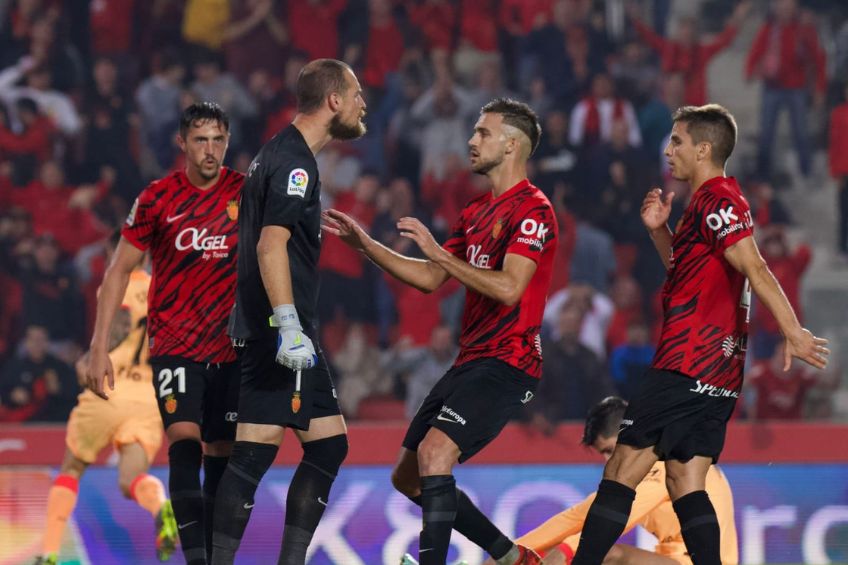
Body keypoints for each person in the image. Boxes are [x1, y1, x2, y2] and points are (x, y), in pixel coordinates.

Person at [569, 104, 829, 565]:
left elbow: (754, 266)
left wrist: (793, 330)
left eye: (677, 141)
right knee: (684, 482)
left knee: (621, 471)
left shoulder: (718, 200)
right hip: (720, 374)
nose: (669, 151)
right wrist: (659, 232)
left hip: (685, 362)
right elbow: (693, 276)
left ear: (703, 148)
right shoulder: (706, 206)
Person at [325, 97, 557, 565]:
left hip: (509, 362)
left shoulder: (534, 211)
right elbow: (431, 278)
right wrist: (365, 244)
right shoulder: (475, 211)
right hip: (470, 360)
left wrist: (439, 251)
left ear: (512, 145)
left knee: (435, 456)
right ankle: (515, 558)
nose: (471, 141)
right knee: (407, 478)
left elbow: (510, 288)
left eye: (483, 133)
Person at [213, 58, 367, 565]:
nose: (364, 103)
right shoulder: (295, 162)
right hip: (282, 331)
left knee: (315, 445)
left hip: (266, 326)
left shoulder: (275, 154)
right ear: (334, 101)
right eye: (357, 93)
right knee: (261, 452)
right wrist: (288, 326)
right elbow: (269, 246)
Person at [85, 102, 244, 565]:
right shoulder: (157, 199)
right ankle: (196, 558)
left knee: (221, 451)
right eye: (200, 140)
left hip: (233, 347)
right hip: (176, 344)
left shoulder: (246, 192)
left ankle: (217, 557)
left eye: (218, 140)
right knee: (184, 439)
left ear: (227, 142)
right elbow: (116, 274)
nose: (210, 150)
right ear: (182, 143)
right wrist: (99, 349)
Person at [34, 231, 177, 565]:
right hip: (148, 397)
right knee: (131, 480)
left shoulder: (117, 282)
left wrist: (90, 358)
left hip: (108, 389)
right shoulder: (166, 292)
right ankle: (160, 505)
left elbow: (121, 324)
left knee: (72, 467)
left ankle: (50, 553)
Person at [486, 396, 738, 565]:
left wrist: (563, 553)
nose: (608, 460)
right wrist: (510, 552)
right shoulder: (642, 468)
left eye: (609, 450)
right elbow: (576, 517)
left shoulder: (664, 463)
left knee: (609, 554)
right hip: (671, 558)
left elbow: (610, 525)